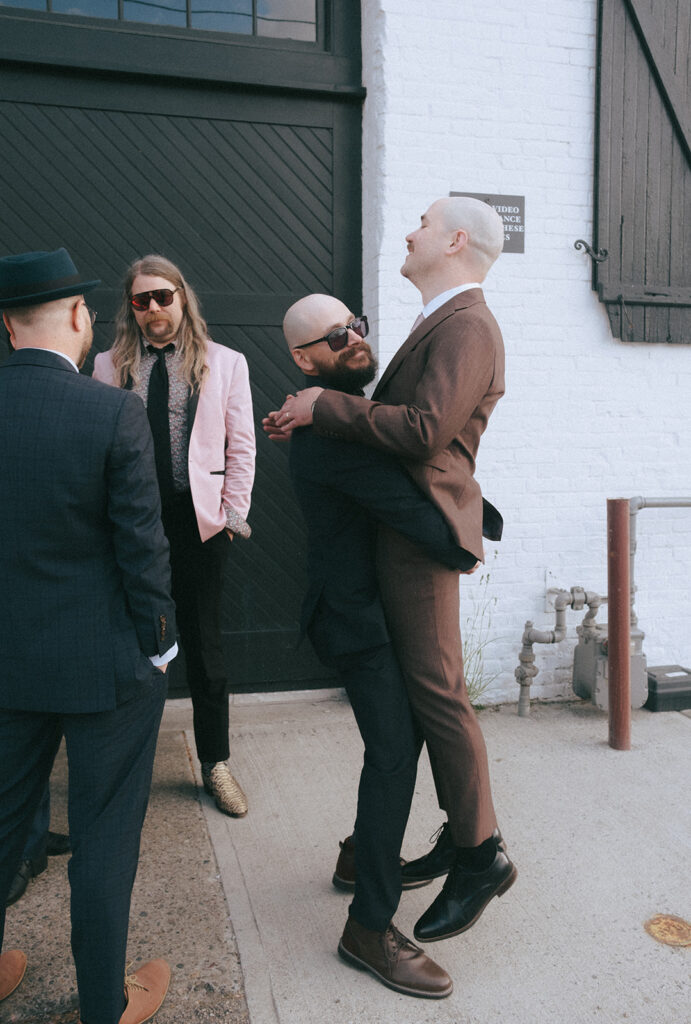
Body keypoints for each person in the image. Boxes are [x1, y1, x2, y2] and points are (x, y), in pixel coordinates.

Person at [267, 196, 516, 944]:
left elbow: (424, 431)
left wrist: (321, 407)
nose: (409, 229)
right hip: (399, 548)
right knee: (422, 703)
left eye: (421, 221)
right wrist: (317, 409)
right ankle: (456, 838)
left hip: (420, 544)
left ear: (453, 239)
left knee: (438, 696)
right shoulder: (440, 318)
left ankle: (478, 856)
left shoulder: (467, 322)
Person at [282, 292, 487, 998]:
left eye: (357, 326)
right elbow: (432, 530)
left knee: (401, 747)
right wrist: (471, 521)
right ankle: (367, 926)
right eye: (334, 338)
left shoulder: (343, 422)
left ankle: (354, 858)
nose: (354, 340)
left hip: (371, 614)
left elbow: (409, 449)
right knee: (396, 754)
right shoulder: (328, 437)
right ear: (303, 360)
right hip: (357, 623)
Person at [0, 247, 177, 1024]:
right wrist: (160, 642)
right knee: (105, 839)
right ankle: (103, 1006)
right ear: (77, 319)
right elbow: (142, 545)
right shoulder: (112, 411)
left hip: (5, 665)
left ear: (7, 327)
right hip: (106, 667)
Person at [94, 255, 255, 818]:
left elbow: (241, 446)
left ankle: (216, 763)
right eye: (141, 300)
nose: (153, 308)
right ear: (131, 309)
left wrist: (232, 517)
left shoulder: (226, 363)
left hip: (198, 524)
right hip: (131, 524)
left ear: (182, 297)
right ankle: (122, 767)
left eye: (162, 296)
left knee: (204, 646)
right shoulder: (108, 364)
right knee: (131, 644)